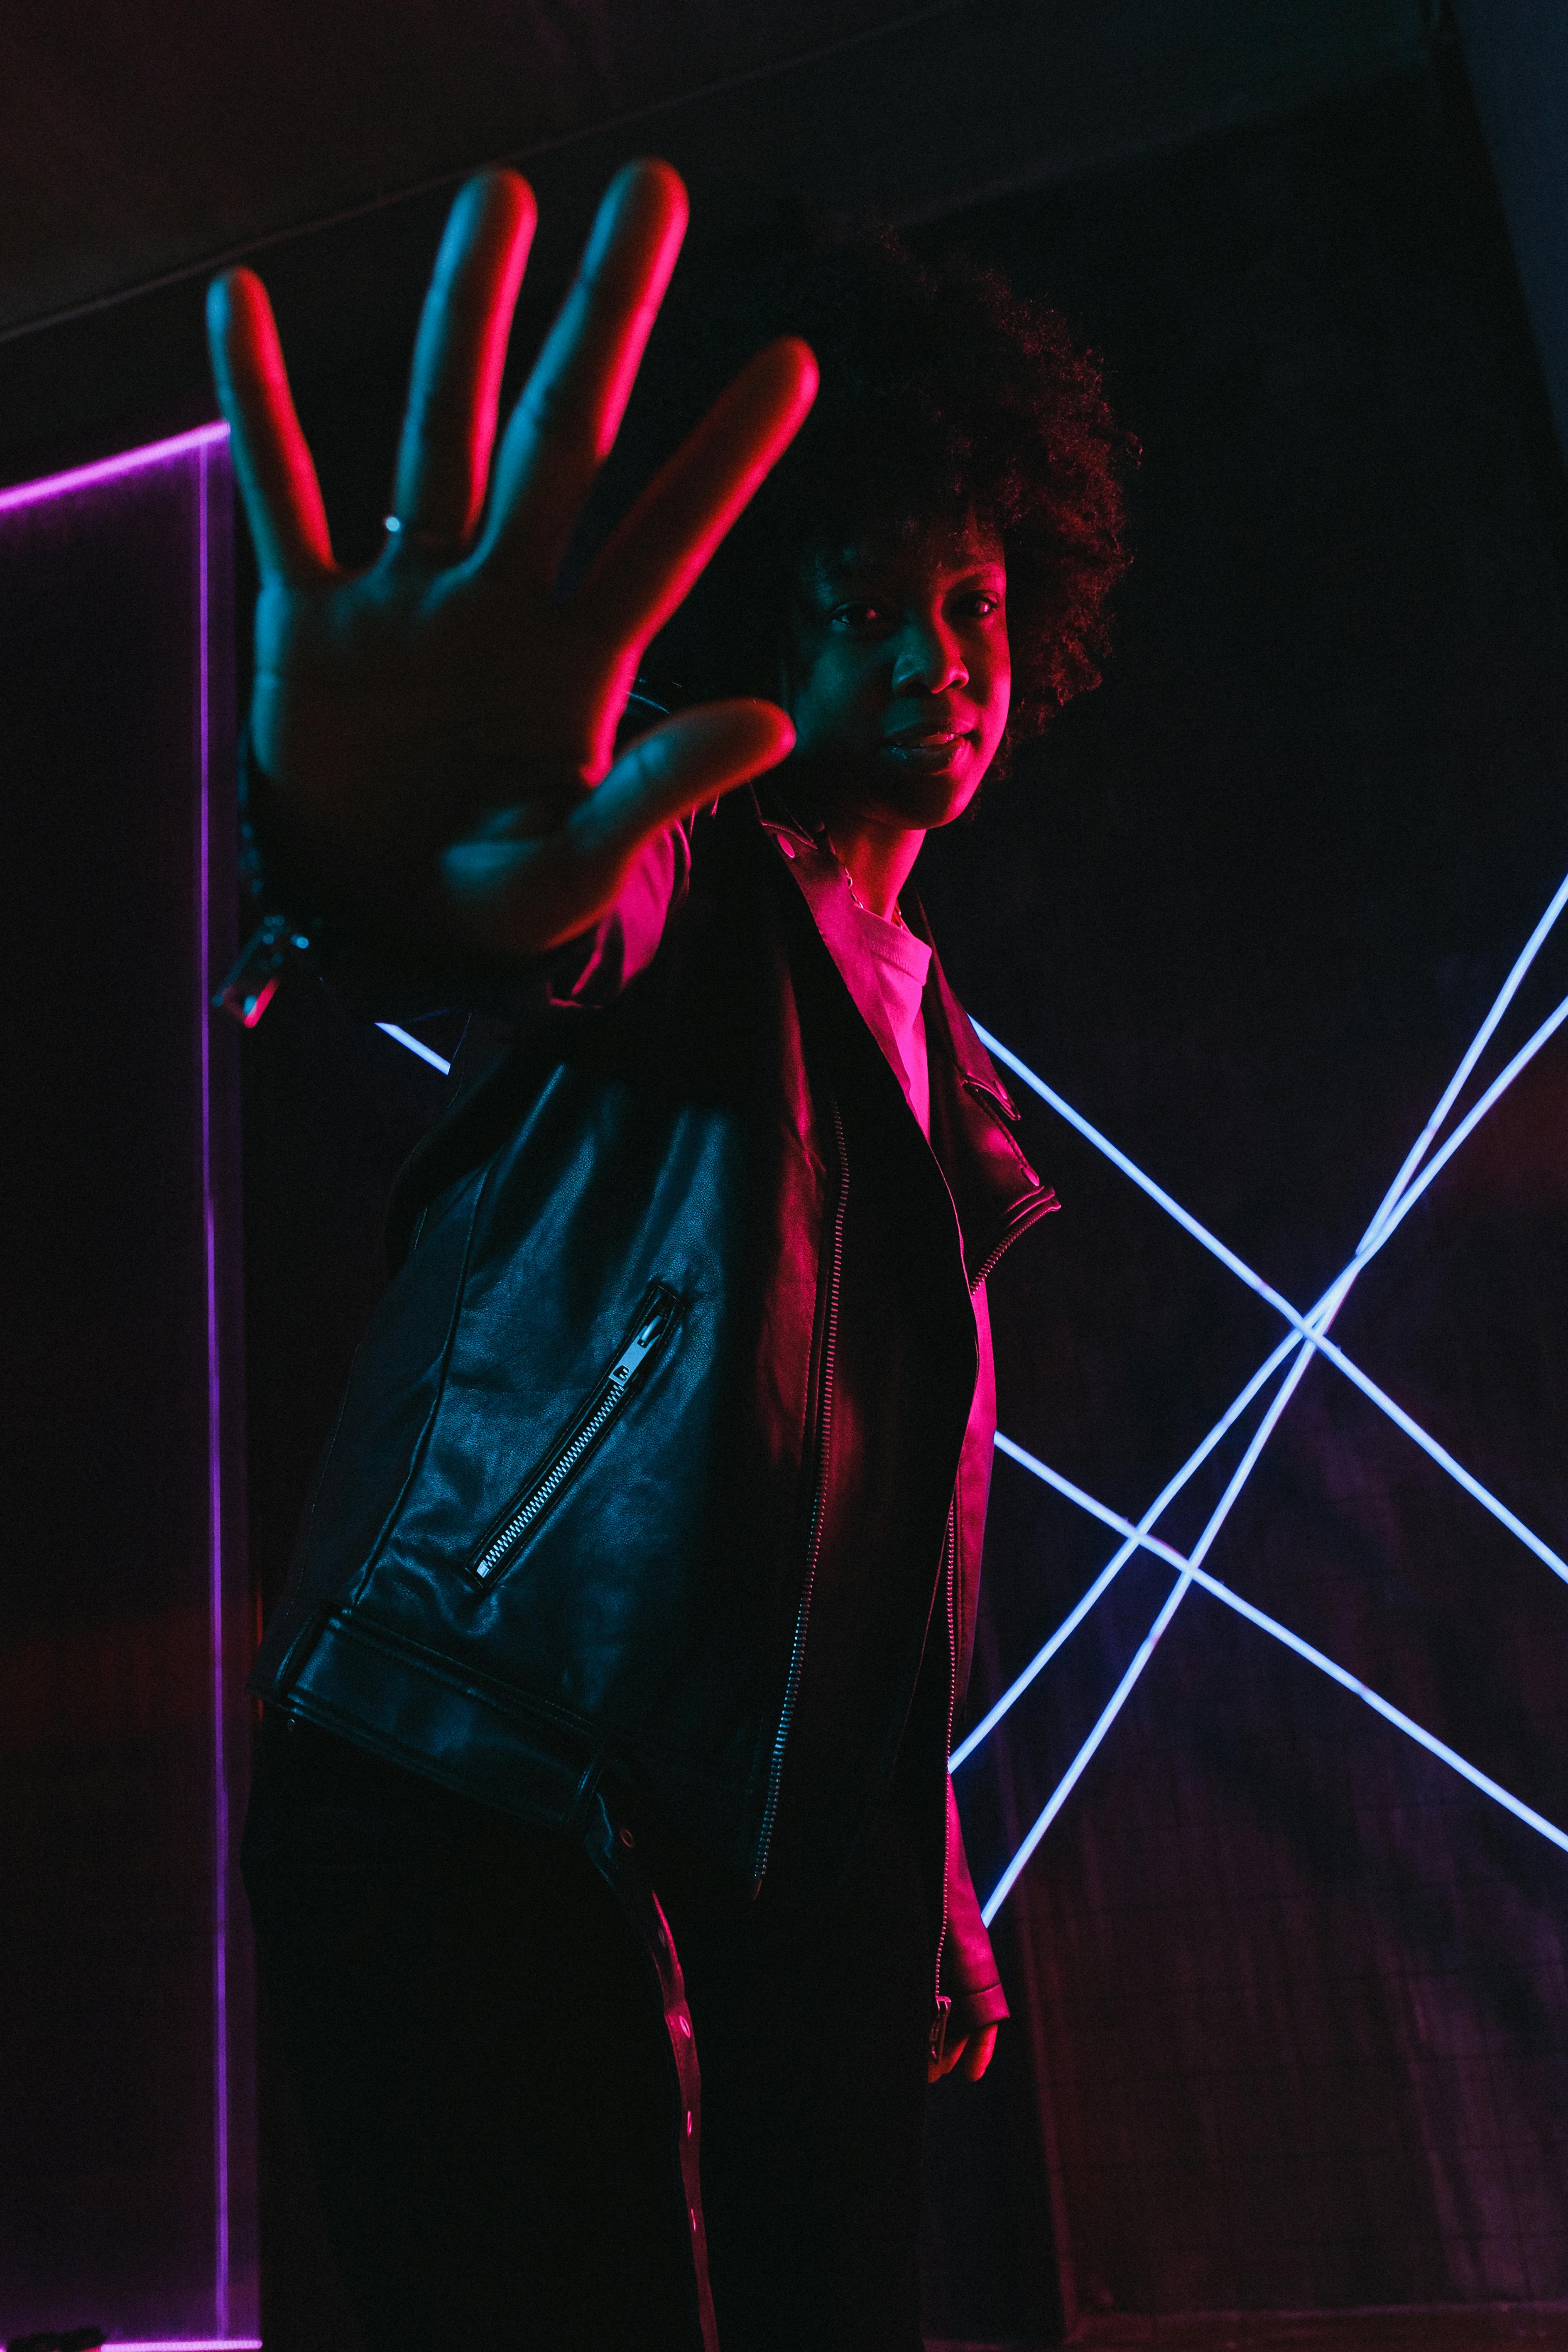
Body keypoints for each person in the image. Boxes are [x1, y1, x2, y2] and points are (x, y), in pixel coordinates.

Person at [215, 161, 1127, 2350]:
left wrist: (908, 1867)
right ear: (756, 628)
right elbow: (536, 916)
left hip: (735, 1856)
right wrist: (377, 849)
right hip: (465, 1776)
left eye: (978, 608)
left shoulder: (949, 1068)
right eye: (867, 600)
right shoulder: (694, 875)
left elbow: (859, 1535)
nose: (937, 658)